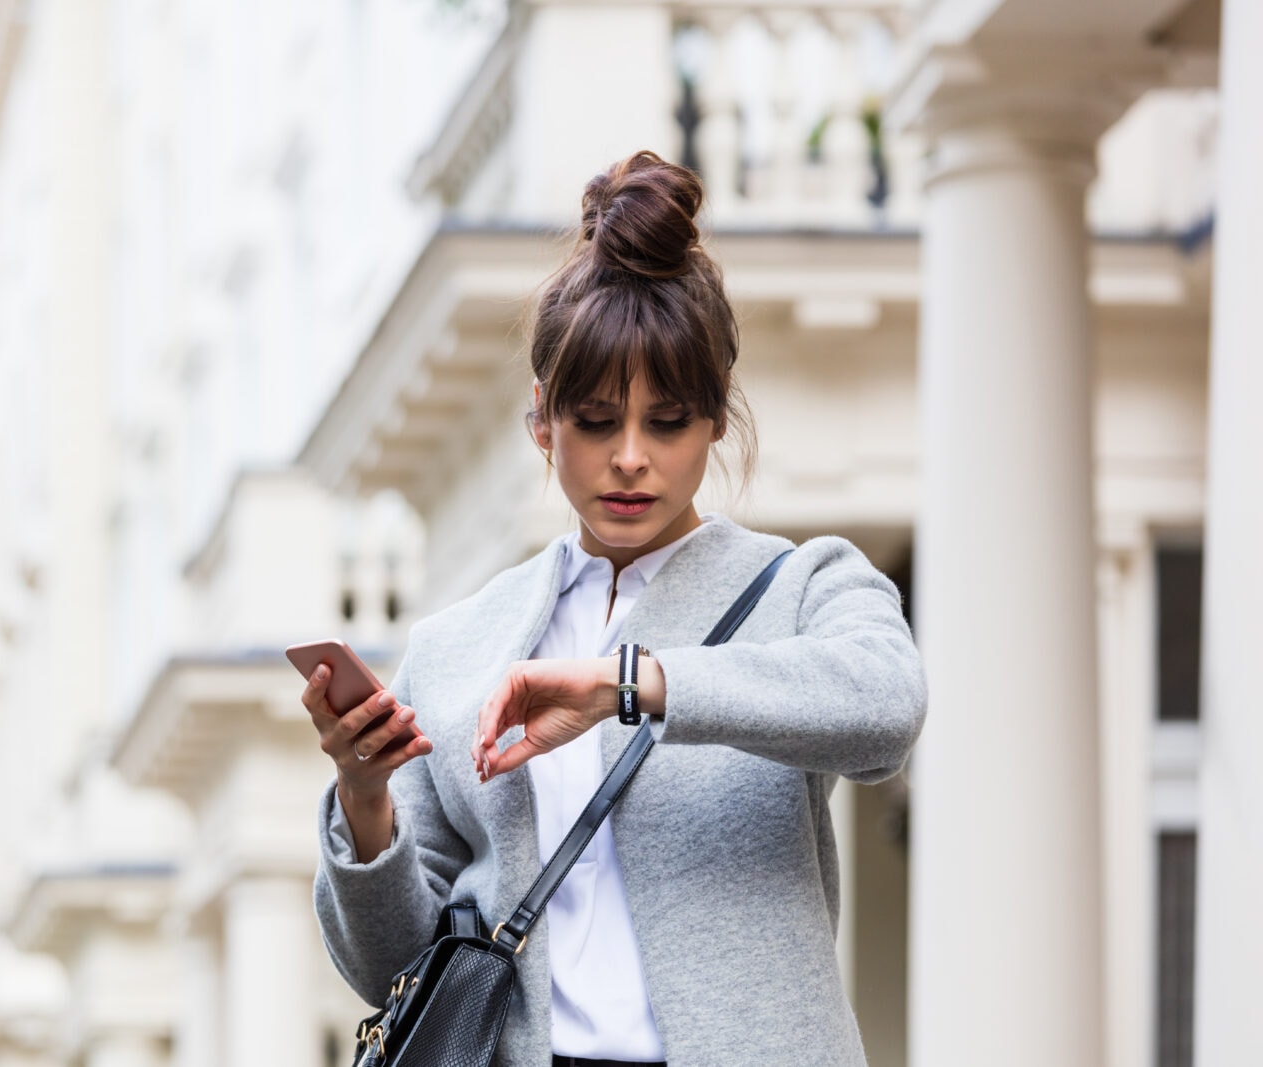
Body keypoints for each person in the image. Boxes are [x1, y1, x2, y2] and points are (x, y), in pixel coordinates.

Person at [301, 150, 927, 1066]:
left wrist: (629, 685)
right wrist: (363, 798)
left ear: (716, 419)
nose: (630, 457)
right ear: (542, 425)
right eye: (596, 421)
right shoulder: (455, 647)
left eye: (667, 420)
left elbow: (887, 708)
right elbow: (391, 963)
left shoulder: (802, 586)